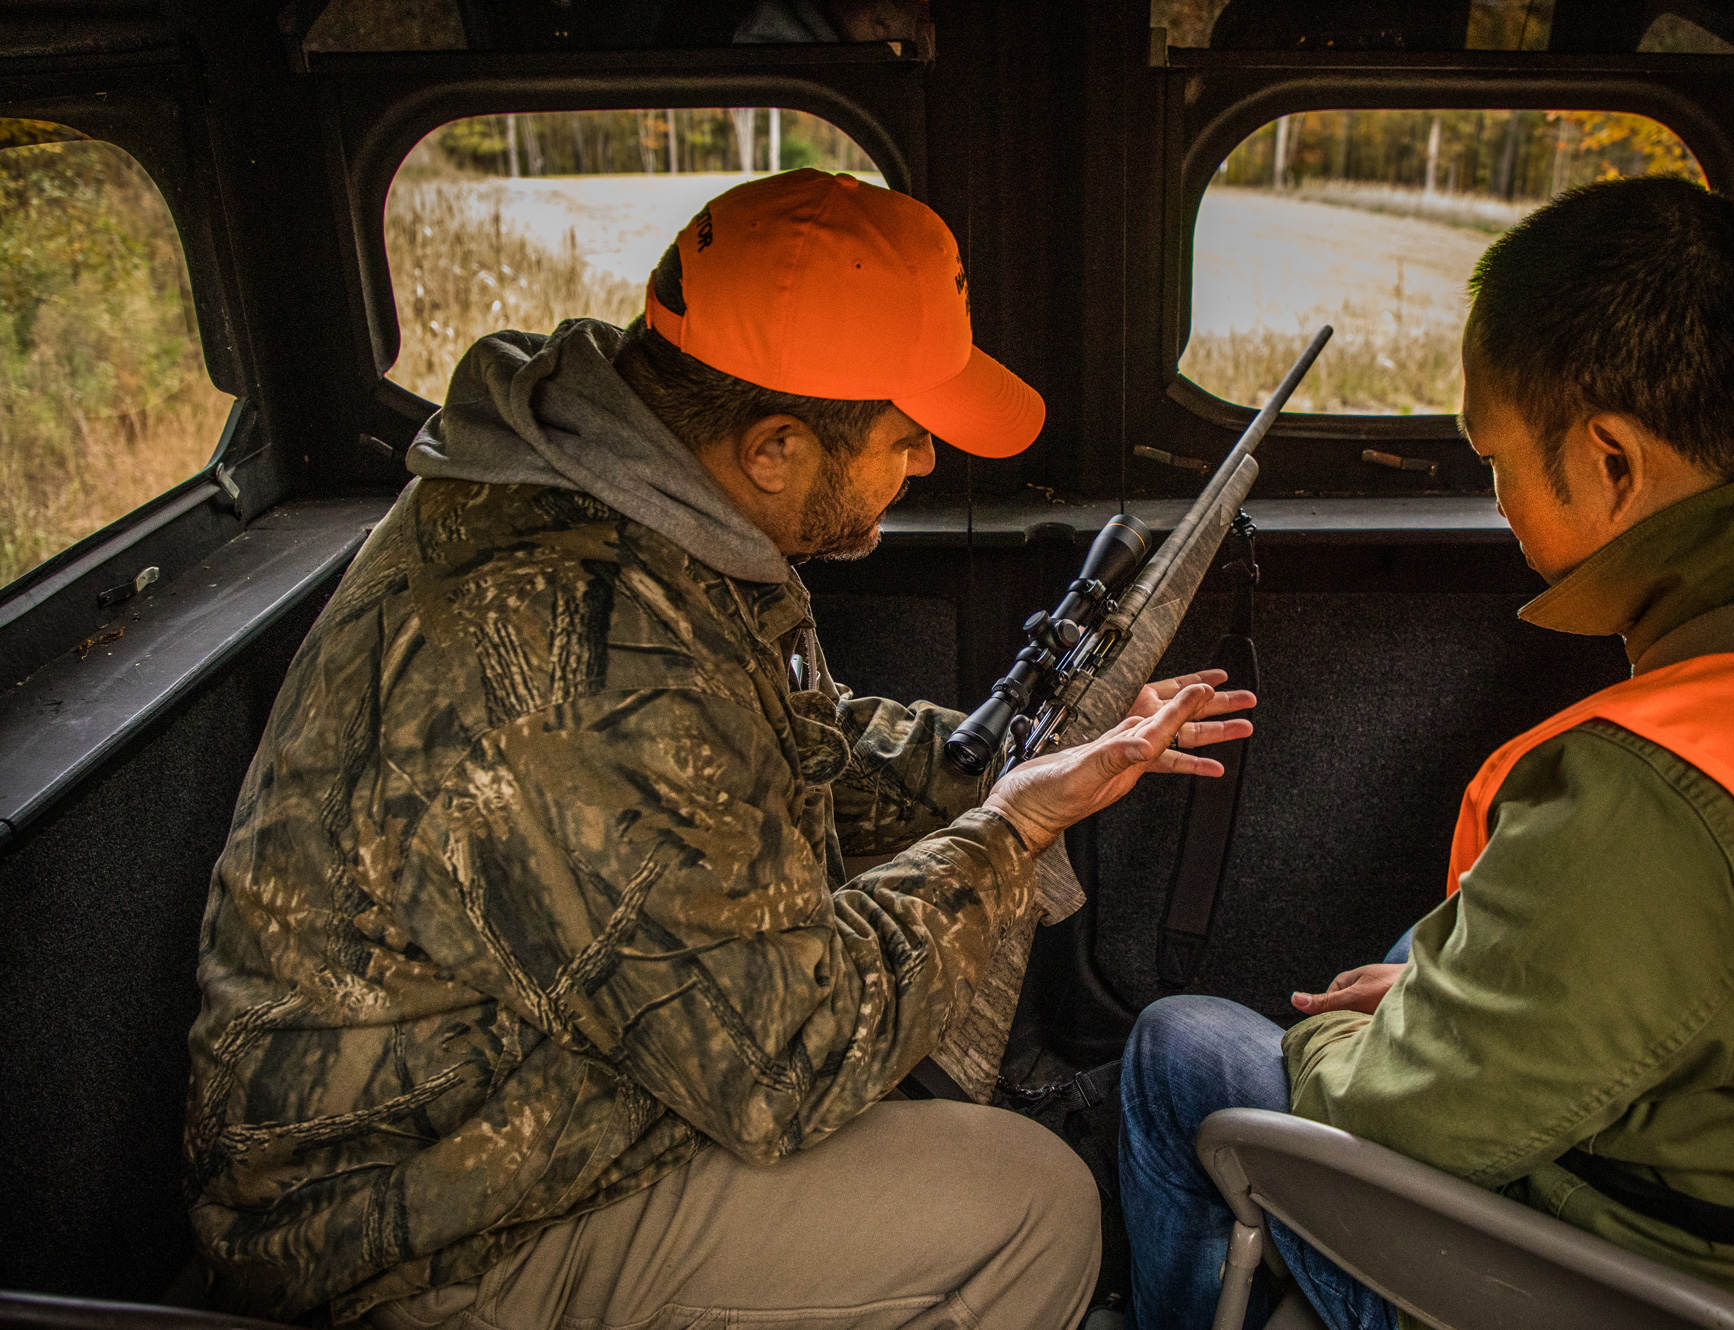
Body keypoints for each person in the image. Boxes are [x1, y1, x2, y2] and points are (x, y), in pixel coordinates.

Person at [184, 169, 1254, 1330]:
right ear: (775, 449)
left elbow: (774, 738)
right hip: (418, 1217)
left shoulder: (629, 503)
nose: (927, 463)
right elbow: (782, 1063)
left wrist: (978, 763)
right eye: (904, 437)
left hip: (527, 1088)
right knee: (1032, 1206)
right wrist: (1013, 831)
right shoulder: (575, 645)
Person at [1120, 176, 1734, 1330]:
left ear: (1611, 462)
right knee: (1413, 952)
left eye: (1492, 458)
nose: (1493, 497)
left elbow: (1396, 1117)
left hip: (1640, 1290)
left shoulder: (1656, 793)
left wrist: (1356, 1034)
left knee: (1179, 1046)